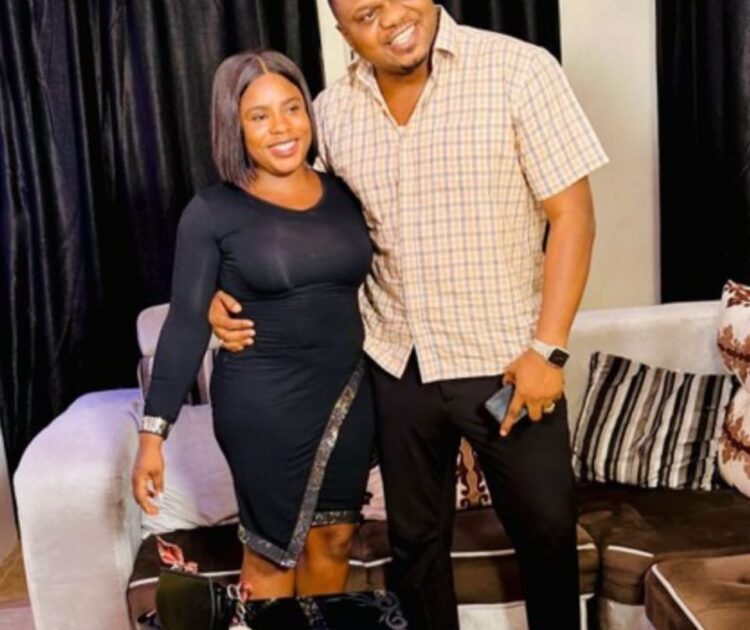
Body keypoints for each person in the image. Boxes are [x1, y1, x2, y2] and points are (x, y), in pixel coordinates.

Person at [209, 1, 608, 628]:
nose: (392, 18)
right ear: (343, 32)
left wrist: (549, 349)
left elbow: (573, 217)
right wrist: (221, 285)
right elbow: (293, 218)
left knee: (548, 538)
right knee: (416, 552)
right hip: (396, 367)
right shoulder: (331, 112)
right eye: (366, 13)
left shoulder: (519, 70)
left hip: (509, 365)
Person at [130, 50, 375, 600]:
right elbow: (185, 324)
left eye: (292, 108)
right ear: (234, 127)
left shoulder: (345, 192)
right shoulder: (213, 211)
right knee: (271, 554)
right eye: (259, 116)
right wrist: (152, 438)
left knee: (335, 540)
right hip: (264, 405)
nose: (282, 127)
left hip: (348, 394)